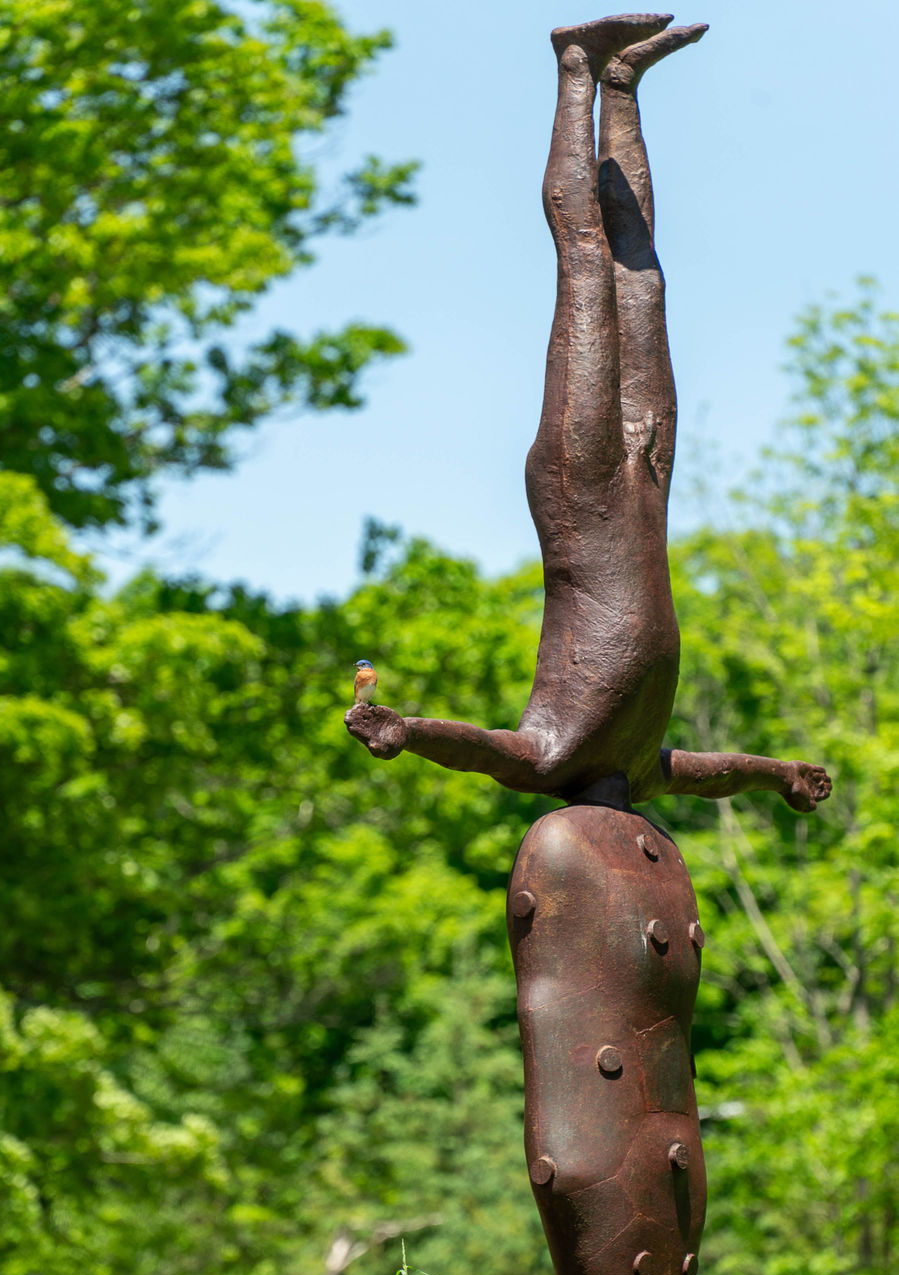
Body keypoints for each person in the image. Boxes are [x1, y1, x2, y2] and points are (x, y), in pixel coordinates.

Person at [346, 13, 831, 819]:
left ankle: (574, 65)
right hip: (645, 483)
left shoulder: (551, 753)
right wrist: (779, 774)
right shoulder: (639, 767)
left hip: (585, 488)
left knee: (584, 267)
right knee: (639, 284)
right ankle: (618, 85)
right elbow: (714, 770)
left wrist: (409, 730)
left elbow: (481, 749)